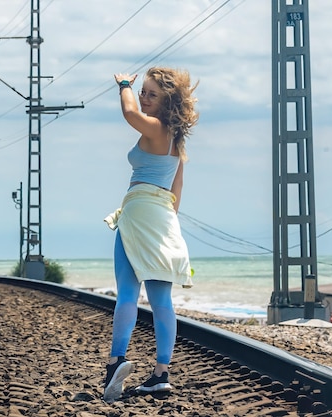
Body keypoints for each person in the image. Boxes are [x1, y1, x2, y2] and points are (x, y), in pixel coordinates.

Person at [102, 66, 199, 403]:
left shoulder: (155, 128)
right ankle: (160, 374)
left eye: (150, 93)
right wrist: (167, 225)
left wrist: (124, 85)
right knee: (161, 301)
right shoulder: (176, 140)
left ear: (166, 100)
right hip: (164, 218)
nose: (143, 97)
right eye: (142, 90)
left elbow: (129, 111)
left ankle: (116, 363)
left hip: (140, 211)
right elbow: (178, 189)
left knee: (128, 292)